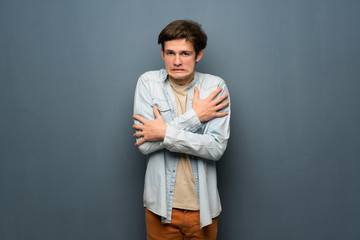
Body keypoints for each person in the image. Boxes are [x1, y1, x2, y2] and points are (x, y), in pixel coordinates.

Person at [132, 20, 230, 240]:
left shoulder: (215, 87)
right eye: (170, 53)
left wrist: (163, 132)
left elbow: (215, 148)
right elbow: (146, 145)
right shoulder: (148, 83)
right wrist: (195, 117)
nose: (177, 61)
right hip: (160, 208)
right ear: (162, 53)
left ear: (199, 55)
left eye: (185, 53)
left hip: (203, 209)